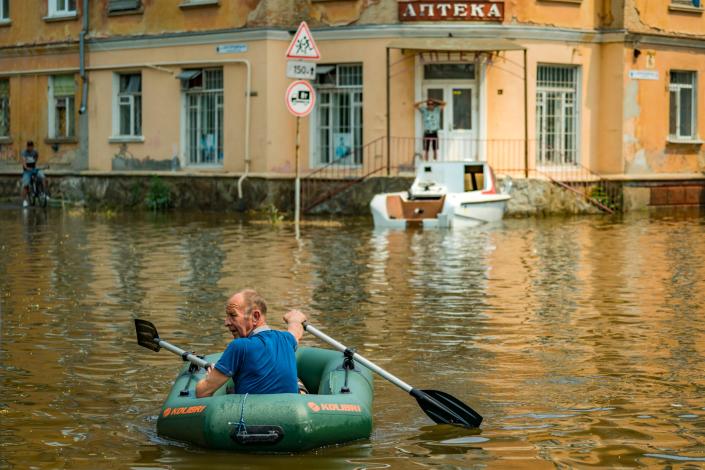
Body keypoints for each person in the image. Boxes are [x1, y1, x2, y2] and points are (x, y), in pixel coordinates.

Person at [195, 289, 307, 398]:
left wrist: (209, 376)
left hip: (251, 415)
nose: (226, 322)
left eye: (233, 315)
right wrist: (295, 319)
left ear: (255, 316)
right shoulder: (286, 339)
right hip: (289, 411)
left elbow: (202, 392)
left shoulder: (239, 347)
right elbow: (296, 332)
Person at [20, 141, 46, 208]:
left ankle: (44, 193)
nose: (31, 148)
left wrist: (35, 163)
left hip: (34, 169)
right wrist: (26, 167)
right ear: (27, 147)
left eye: (32, 147)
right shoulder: (24, 152)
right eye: (29, 147)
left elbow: (36, 157)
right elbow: (23, 162)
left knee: (42, 176)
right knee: (26, 184)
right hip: (27, 170)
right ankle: (24, 201)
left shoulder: (35, 152)